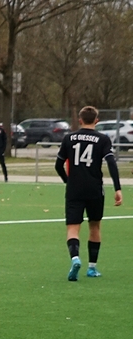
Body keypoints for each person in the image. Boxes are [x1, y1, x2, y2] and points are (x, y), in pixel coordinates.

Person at [55, 105, 123, 280]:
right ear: (96, 121)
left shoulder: (69, 138)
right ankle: (92, 268)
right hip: (94, 189)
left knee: (73, 228)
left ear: (80, 120)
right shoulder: (103, 139)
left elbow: (58, 165)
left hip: (74, 189)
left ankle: (75, 258)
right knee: (95, 226)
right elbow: (111, 163)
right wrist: (117, 188)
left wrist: (67, 181)